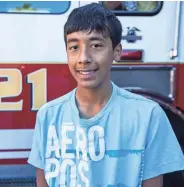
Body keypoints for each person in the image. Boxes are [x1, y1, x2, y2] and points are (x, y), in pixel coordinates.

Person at [27, 3, 184, 187]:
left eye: (96, 45)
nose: (84, 58)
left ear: (117, 51)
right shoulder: (48, 116)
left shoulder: (148, 115)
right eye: (74, 47)